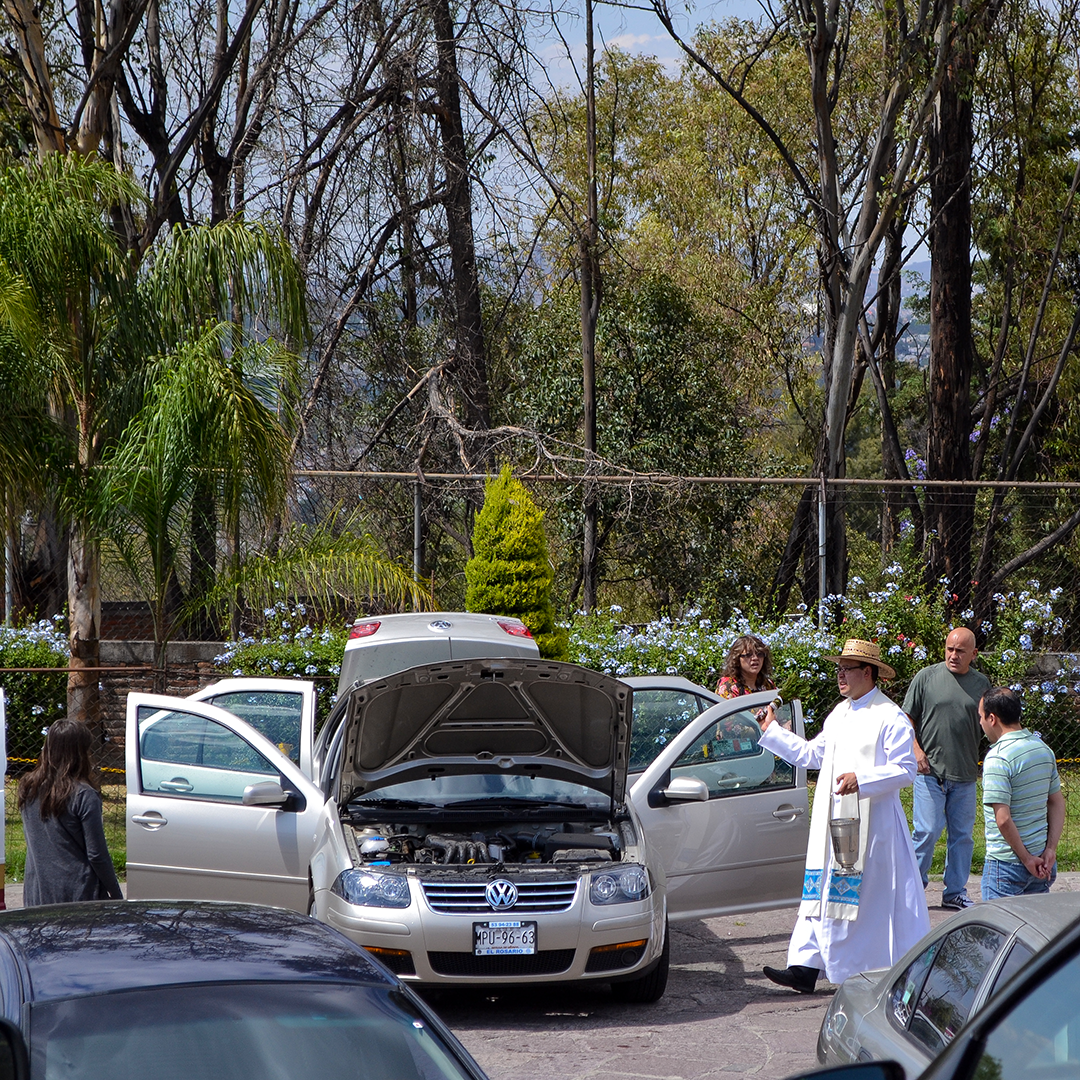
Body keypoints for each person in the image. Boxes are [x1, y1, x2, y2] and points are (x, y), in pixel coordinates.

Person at [756, 638, 929, 993]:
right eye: (838, 669)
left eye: (846, 669)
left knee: (860, 898)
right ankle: (804, 966)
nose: (839, 676)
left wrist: (861, 780)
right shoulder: (839, 713)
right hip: (832, 819)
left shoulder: (890, 716)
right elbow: (812, 755)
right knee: (821, 887)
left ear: (868, 672)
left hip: (873, 825)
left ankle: (860, 967)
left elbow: (906, 770)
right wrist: (772, 733)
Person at [904, 627, 990, 911]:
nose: (953, 655)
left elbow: (990, 724)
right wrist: (915, 750)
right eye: (949, 649)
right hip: (929, 773)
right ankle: (913, 889)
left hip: (965, 775)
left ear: (973, 654)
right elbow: (906, 720)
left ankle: (954, 891)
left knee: (962, 836)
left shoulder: (982, 684)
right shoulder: (926, 678)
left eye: (960, 651)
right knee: (926, 832)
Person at [18, 719, 123, 906]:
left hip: (37, 894)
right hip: (78, 895)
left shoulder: (27, 788)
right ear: (80, 753)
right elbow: (97, 855)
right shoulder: (84, 795)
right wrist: (116, 894)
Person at [979, 687, 1064, 899]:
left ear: (992, 718)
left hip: (1006, 866)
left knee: (998, 930)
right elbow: (1057, 803)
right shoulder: (1043, 749)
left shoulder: (998, 758)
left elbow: (1003, 819)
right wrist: (1050, 849)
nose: (980, 723)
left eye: (980, 717)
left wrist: (1026, 859)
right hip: (1042, 862)